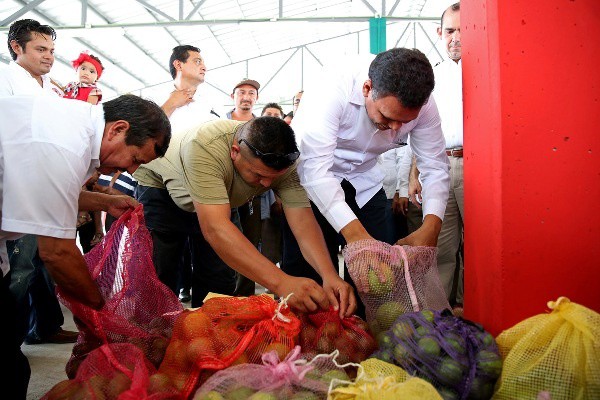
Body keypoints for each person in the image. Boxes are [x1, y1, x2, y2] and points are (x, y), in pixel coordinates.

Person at [0, 94, 171, 400]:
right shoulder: (64, 144)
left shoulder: (70, 127)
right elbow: (57, 253)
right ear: (117, 129)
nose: (130, 171)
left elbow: (50, 192)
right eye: (135, 159)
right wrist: (100, 311)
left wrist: (104, 201)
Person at [283, 48, 450, 317]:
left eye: (404, 122)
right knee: (309, 279)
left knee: (378, 284)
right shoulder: (332, 85)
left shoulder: (425, 105)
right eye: (386, 117)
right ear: (367, 88)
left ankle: (366, 342)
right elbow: (314, 171)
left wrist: (431, 226)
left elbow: (435, 166)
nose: (395, 129)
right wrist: (359, 239)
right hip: (311, 185)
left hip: (367, 184)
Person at [133, 117, 357, 317]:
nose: (267, 185)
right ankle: (153, 341)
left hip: (219, 203)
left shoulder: (286, 164)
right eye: (258, 175)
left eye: (273, 178)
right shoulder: (205, 146)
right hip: (161, 188)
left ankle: (208, 341)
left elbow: (303, 222)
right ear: (235, 151)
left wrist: (329, 275)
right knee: (159, 277)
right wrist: (282, 282)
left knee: (219, 283)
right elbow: (215, 228)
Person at [0, 18, 78, 347]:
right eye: (41, 49)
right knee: (17, 270)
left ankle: (34, 329)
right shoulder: (6, 78)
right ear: (17, 47)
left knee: (32, 267)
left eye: (52, 51)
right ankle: (10, 339)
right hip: (15, 187)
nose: (49, 57)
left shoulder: (46, 87)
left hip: (39, 185)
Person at [135, 45, 229, 305]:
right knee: (161, 262)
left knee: (213, 260)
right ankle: (158, 325)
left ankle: (206, 323)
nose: (203, 65)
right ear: (178, 64)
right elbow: (140, 137)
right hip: (159, 189)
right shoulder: (154, 98)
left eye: (203, 61)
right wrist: (170, 104)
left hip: (203, 187)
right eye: (197, 60)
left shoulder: (213, 103)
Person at [409, 2, 464, 312]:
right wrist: (414, 174)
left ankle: (473, 314)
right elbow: (419, 129)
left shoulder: (487, 71)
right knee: (440, 245)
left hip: (478, 168)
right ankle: (438, 318)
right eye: (450, 30)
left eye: (462, 30)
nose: (455, 38)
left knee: (478, 249)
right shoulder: (430, 78)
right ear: (439, 33)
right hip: (437, 167)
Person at [62, 52, 106, 251]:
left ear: (97, 76)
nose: (86, 73)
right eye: (83, 69)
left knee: (83, 179)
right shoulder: (69, 88)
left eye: (91, 71)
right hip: (67, 133)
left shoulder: (93, 92)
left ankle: (84, 214)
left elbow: (84, 114)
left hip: (81, 134)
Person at [225, 79, 262, 296]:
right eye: (241, 92)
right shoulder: (218, 122)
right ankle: (223, 292)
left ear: (256, 98)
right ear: (233, 96)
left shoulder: (262, 126)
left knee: (249, 243)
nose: (246, 96)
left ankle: (245, 295)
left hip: (252, 197)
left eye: (251, 93)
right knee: (223, 240)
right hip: (223, 193)